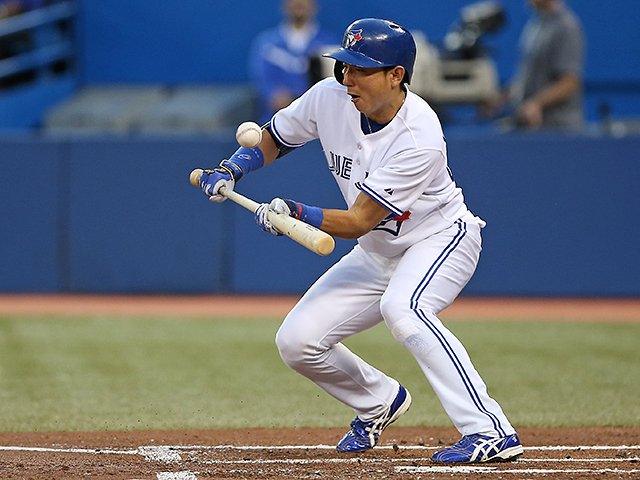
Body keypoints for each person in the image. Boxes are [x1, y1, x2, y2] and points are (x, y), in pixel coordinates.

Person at [197, 18, 523, 464]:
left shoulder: (419, 137)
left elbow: (358, 221)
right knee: (297, 342)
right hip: (379, 252)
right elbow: (273, 137)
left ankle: (490, 430)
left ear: (396, 75)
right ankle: (378, 401)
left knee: (404, 309)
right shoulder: (330, 96)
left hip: (439, 239)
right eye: (346, 66)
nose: (348, 78)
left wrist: (294, 211)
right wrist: (233, 167)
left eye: (362, 69)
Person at [484, 0, 585, 130]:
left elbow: (569, 82)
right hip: (531, 127)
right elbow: (526, 76)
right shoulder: (535, 24)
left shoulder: (567, 27)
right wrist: (502, 98)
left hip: (559, 128)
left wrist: (536, 103)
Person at [248, 0, 338, 123]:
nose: (298, 3)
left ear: (314, 5)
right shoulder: (267, 43)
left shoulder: (329, 43)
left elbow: (331, 83)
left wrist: (303, 101)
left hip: (316, 121)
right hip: (274, 119)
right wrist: (274, 95)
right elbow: (262, 79)